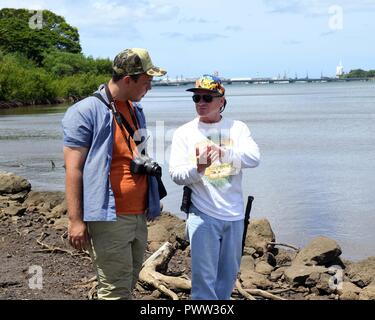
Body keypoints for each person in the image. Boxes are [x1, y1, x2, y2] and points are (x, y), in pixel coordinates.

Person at [62, 48, 166, 300]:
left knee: (129, 282)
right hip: (109, 216)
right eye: (147, 80)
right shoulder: (85, 111)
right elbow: (73, 169)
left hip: (139, 215)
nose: (150, 87)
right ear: (129, 79)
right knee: (114, 290)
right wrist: (76, 221)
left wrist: (151, 201)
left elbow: (138, 157)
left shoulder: (136, 110)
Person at [169, 74, 260, 300]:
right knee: (203, 284)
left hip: (235, 216)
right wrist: (198, 168)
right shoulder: (184, 133)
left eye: (207, 98)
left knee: (227, 280)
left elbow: (254, 158)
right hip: (203, 215)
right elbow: (176, 175)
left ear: (221, 101)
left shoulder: (237, 128)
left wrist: (224, 153)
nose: (201, 102)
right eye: (197, 98)